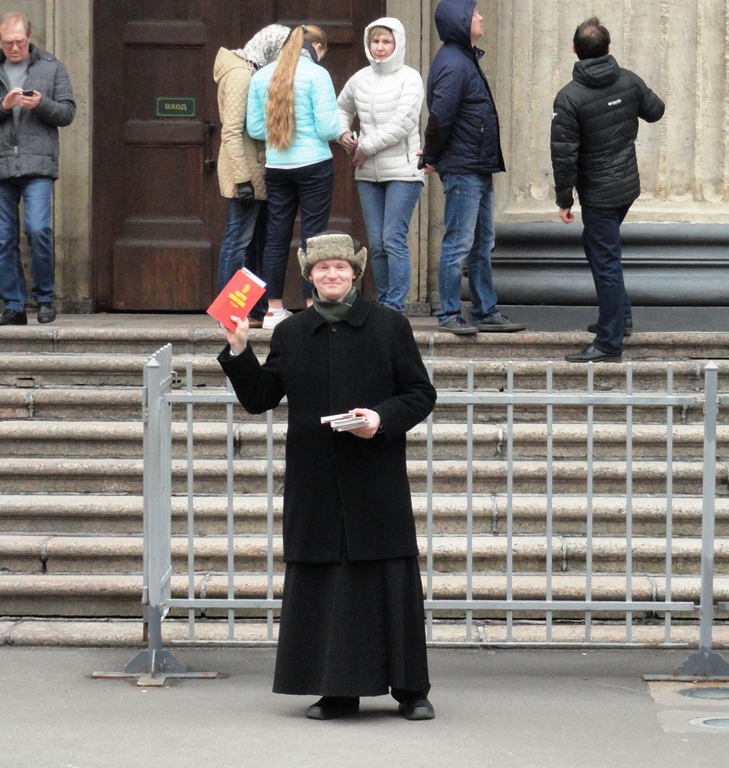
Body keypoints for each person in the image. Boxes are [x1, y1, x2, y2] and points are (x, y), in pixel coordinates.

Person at [217, 231, 437, 721]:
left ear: (355, 274)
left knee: (388, 582)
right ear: (309, 276)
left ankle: (411, 691)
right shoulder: (292, 332)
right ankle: (336, 691)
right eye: (322, 268)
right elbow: (260, 398)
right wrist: (238, 350)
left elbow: (420, 393)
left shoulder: (389, 325)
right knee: (326, 587)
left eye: (341, 267)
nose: (332, 274)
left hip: (374, 475)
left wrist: (380, 418)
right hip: (315, 479)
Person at [550, 17, 665, 362]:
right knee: (600, 249)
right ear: (609, 47)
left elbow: (564, 155)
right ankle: (620, 317)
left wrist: (564, 199)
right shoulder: (628, 80)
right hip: (625, 186)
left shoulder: (569, 97)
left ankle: (609, 342)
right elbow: (656, 111)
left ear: (574, 49)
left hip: (598, 192)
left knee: (605, 262)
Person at [418, 0, 524, 336]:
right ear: (460, 21)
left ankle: (485, 310)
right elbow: (440, 118)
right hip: (464, 168)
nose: (479, 16)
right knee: (459, 243)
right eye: (474, 12)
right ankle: (450, 312)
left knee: (481, 242)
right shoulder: (454, 63)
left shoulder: (463, 59)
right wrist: (431, 155)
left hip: (477, 166)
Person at [0, 11, 76, 326]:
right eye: (8, 42)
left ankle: (45, 298)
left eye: (19, 41)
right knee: (4, 239)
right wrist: (3, 105)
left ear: (29, 37)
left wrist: (41, 104)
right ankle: (14, 305)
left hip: (37, 163)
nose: (14, 47)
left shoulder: (52, 67)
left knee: (38, 230)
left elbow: (67, 112)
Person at [247, 25, 341, 330]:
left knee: (276, 237)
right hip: (315, 164)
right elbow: (328, 128)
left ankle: (273, 310)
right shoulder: (317, 75)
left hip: (277, 166)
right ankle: (313, 306)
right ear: (317, 47)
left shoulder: (262, 76)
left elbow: (256, 129)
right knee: (313, 237)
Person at [337, 18, 425, 313]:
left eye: (386, 41)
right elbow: (341, 107)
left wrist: (365, 146)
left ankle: (394, 307)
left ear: (397, 44)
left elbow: (403, 123)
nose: (380, 47)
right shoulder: (360, 78)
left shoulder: (410, 78)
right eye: (375, 41)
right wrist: (343, 133)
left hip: (403, 171)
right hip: (368, 174)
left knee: (392, 239)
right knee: (376, 242)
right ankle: (384, 301)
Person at [214, 24, 290, 327]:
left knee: (255, 243)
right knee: (237, 242)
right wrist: (243, 178)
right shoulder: (240, 74)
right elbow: (231, 131)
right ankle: (228, 312)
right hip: (245, 172)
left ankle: (254, 309)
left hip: (256, 171)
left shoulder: (252, 71)